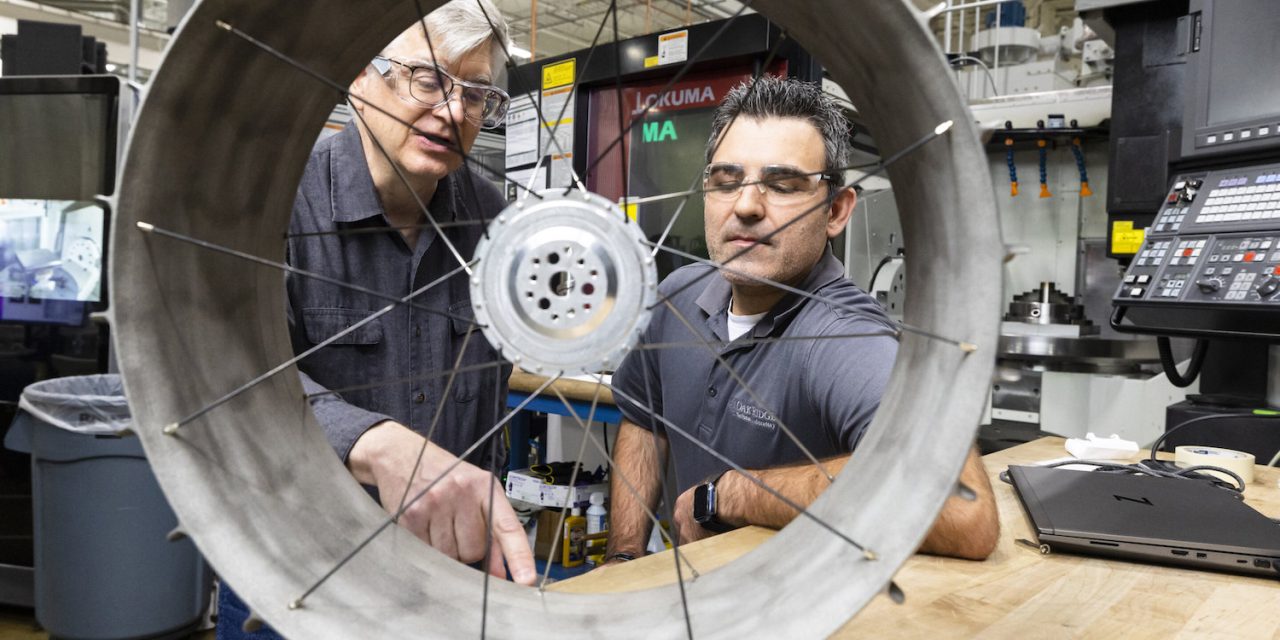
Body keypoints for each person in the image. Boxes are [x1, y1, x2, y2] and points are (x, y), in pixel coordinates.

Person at [217, 3, 532, 637]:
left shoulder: (494, 217)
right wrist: (375, 444)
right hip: (299, 573)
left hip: (449, 571)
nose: (453, 112)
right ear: (361, 73)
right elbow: (230, 377)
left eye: (477, 96)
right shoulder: (272, 206)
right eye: (431, 79)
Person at [604, 76, 999, 565]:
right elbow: (644, 422)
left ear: (835, 210)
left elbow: (966, 511)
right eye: (726, 181)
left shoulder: (841, 335)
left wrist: (731, 494)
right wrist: (622, 559)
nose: (746, 206)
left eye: (783, 185)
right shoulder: (676, 296)